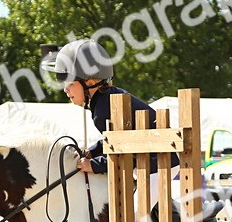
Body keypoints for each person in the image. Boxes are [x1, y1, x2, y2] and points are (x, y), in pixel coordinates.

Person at [39, 38, 174, 176]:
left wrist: (94, 165)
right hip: (160, 160)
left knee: (137, 198)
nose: (65, 90)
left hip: (162, 164)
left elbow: (124, 151)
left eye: (70, 84)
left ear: (90, 82)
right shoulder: (105, 99)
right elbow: (115, 139)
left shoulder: (103, 108)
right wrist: (93, 152)